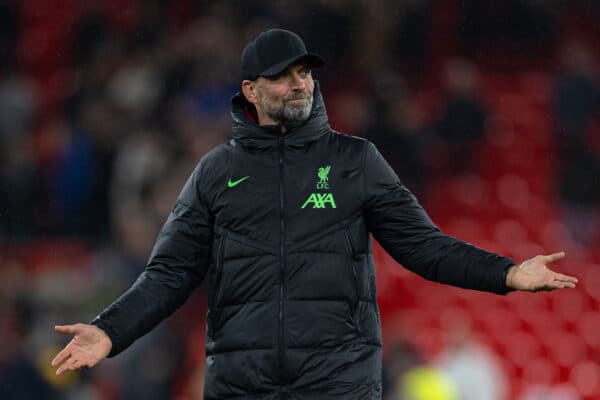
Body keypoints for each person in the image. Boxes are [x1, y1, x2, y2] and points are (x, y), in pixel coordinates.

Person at [52, 29, 578, 399]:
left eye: (304, 72)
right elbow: (169, 274)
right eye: (283, 76)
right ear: (252, 92)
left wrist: (506, 272)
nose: (300, 83)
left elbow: (425, 247)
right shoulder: (216, 172)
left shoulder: (356, 161)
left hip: (337, 384)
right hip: (244, 384)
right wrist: (110, 330)